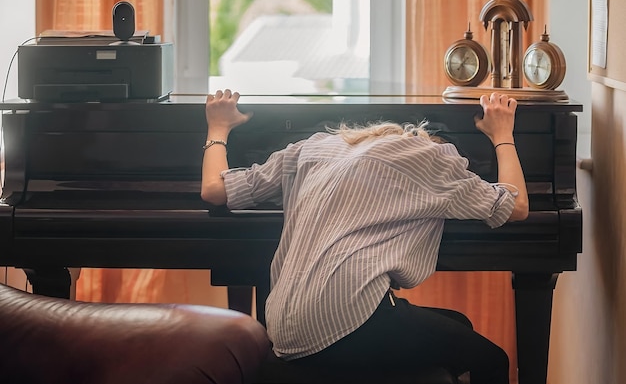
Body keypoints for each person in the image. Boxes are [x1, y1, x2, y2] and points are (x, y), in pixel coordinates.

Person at [201, 89, 528, 384]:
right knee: (491, 360)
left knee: (456, 324)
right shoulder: (427, 152)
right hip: (348, 322)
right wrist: (502, 134)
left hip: (285, 327)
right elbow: (515, 205)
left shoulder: (312, 148)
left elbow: (215, 190)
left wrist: (218, 127)